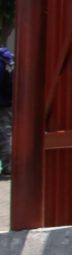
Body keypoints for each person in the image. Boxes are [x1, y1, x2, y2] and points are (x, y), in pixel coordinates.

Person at [0, 47, 12, 177]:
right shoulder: (7, 60)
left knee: (4, 135)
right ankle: (7, 166)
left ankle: (7, 167)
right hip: (7, 103)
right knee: (6, 134)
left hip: (2, 103)